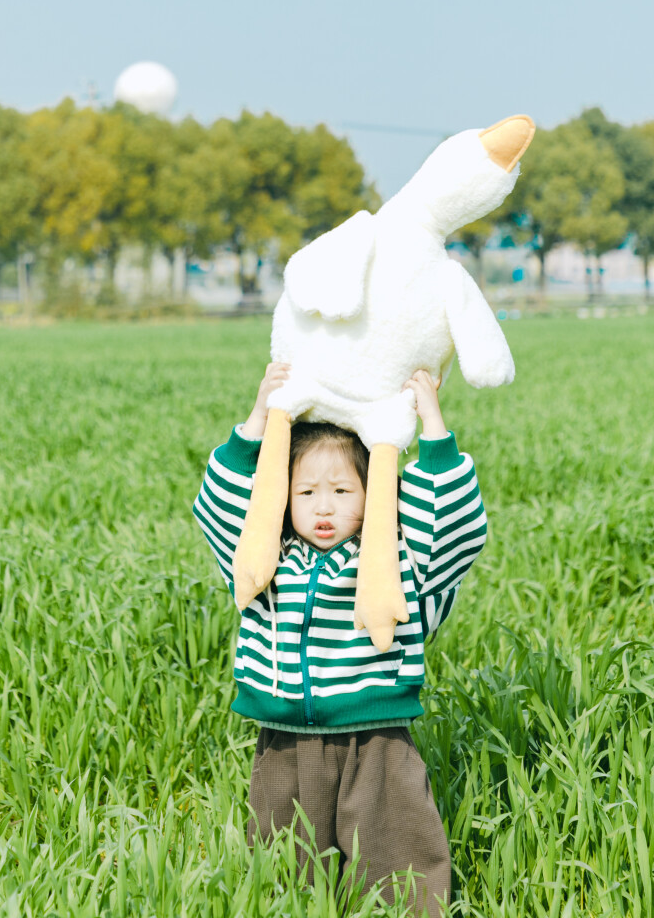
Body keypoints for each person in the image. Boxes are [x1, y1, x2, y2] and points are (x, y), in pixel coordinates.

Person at [192, 362, 488, 917]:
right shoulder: (265, 563)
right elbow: (225, 509)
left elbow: (450, 531)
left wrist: (435, 433)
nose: (323, 506)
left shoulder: (395, 563)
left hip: (376, 738)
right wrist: (259, 417)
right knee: (286, 868)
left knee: (398, 859)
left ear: (374, 491)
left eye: (341, 490)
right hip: (282, 737)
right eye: (305, 491)